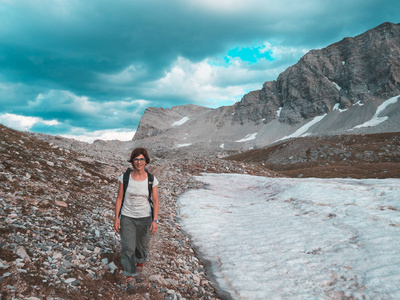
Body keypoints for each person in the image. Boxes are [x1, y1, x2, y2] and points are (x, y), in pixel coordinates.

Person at [114, 147, 159, 291]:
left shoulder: (152, 180)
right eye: (136, 159)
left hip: (145, 218)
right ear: (132, 161)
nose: (138, 162)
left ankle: (139, 266)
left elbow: (156, 201)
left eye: (141, 159)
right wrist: (117, 218)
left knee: (142, 247)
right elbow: (120, 197)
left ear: (146, 161)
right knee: (128, 247)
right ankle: (130, 276)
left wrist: (155, 220)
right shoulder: (124, 178)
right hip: (127, 217)